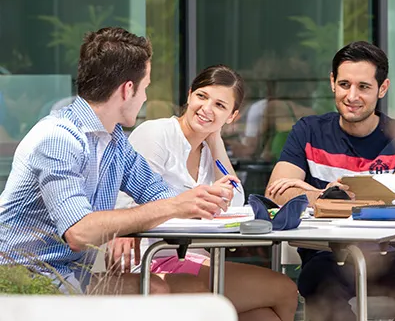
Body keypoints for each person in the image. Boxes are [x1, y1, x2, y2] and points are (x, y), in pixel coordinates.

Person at [0, 27, 232, 295]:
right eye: (145, 88)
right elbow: (79, 232)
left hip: (70, 277)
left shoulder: (115, 140)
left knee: (170, 289)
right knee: (160, 292)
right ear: (127, 89)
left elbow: (158, 195)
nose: (145, 98)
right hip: (22, 283)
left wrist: (195, 202)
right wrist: (175, 206)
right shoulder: (58, 139)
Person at [265, 41, 395, 321]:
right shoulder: (308, 131)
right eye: (345, 84)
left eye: (364, 87)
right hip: (327, 257)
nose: (352, 95)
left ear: (382, 89)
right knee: (322, 293)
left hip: (391, 255)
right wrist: (332, 194)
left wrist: (320, 195)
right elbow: (277, 192)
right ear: (332, 83)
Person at [114, 65, 297, 321]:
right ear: (189, 95)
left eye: (220, 106)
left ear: (232, 117)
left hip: (191, 256)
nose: (207, 109)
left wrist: (216, 141)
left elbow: (235, 202)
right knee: (284, 290)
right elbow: (124, 202)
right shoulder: (158, 134)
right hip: (150, 259)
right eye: (202, 96)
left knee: (263, 316)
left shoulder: (208, 151)